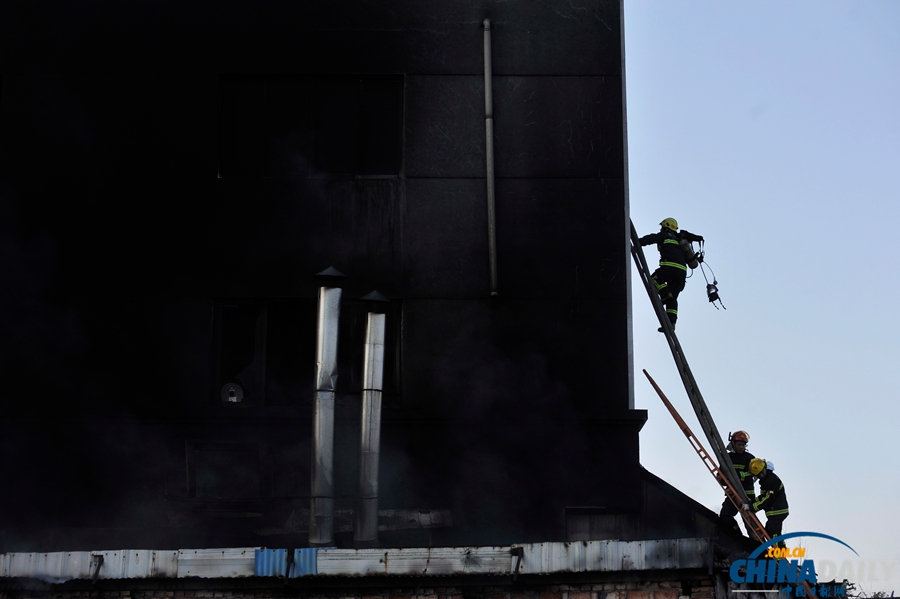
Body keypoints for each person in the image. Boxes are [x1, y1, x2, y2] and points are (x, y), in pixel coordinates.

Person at [639, 218, 704, 331]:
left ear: (666, 226)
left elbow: (651, 238)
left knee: (653, 279)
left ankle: (665, 293)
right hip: (682, 273)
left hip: (669, 268)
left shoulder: (665, 235)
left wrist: (637, 242)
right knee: (672, 299)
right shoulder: (680, 238)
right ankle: (671, 323)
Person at [719, 430, 756, 534]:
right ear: (733, 444)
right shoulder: (727, 458)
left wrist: (740, 476)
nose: (741, 447)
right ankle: (738, 536)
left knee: (750, 523)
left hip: (747, 495)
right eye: (739, 445)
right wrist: (723, 480)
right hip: (733, 494)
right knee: (725, 515)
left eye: (743, 445)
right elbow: (721, 474)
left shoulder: (750, 459)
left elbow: (754, 474)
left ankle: (755, 545)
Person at [748, 457, 789, 542]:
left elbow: (768, 498)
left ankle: (779, 554)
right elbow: (763, 496)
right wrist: (753, 502)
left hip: (777, 511)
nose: (761, 475)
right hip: (774, 512)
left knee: (774, 533)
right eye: (758, 475)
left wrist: (752, 507)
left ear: (765, 468)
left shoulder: (771, 480)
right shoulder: (766, 480)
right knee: (770, 532)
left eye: (762, 472)